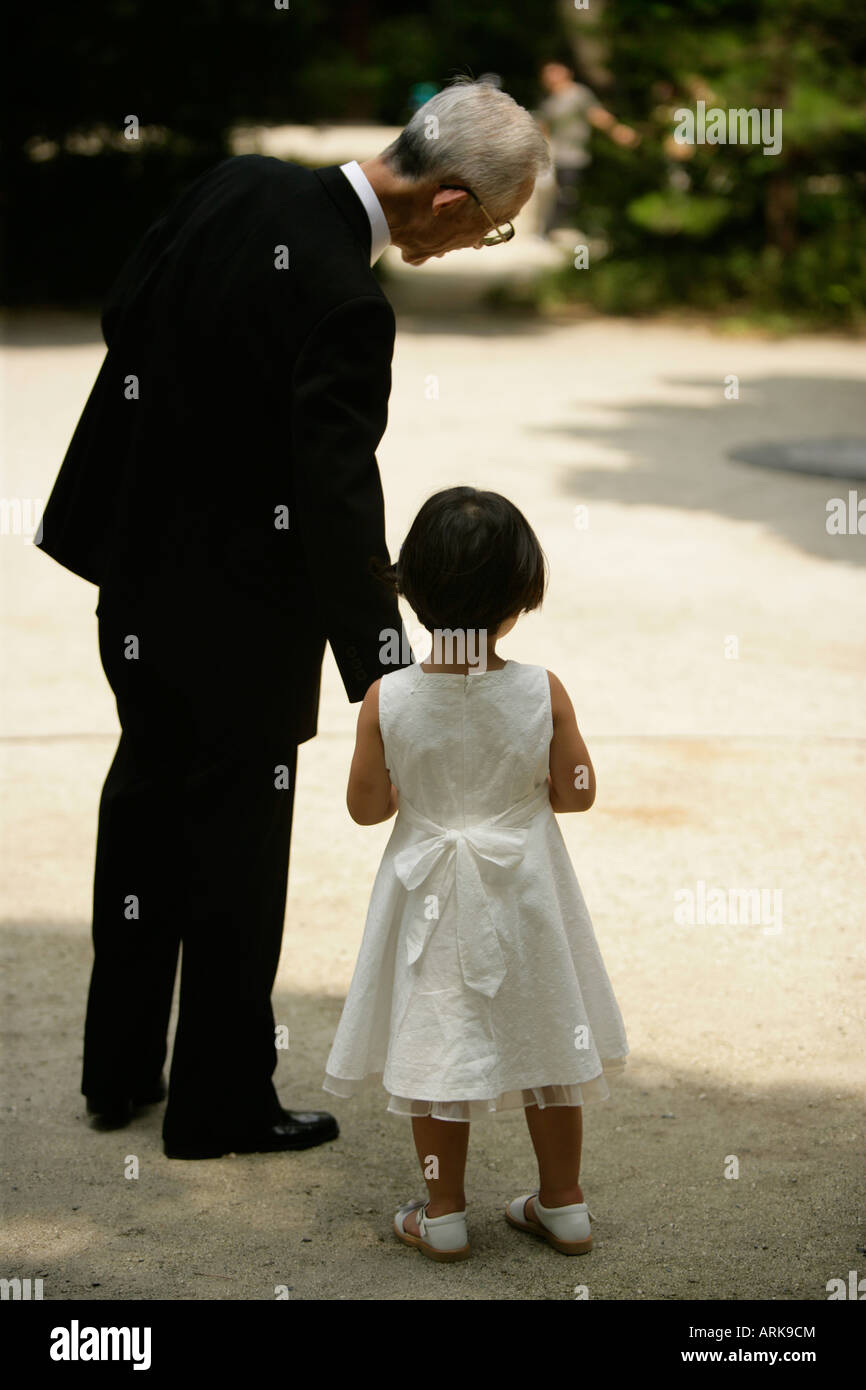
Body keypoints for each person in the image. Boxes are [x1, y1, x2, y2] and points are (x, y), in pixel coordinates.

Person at [34, 79, 551, 1161]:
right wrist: (385, 669)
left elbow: (125, 312)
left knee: (142, 806)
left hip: (133, 573)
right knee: (232, 850)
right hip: (236, 617)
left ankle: (118, 1066)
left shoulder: (236, 186)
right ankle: (218, 1102)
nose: (478, 244)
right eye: (493, 225)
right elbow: (331, 497)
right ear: (449, 202)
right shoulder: (345, 302)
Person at [323, 487, 629, 1259]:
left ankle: (445, 1211)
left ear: (412, 591)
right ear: (524, 595)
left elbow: (365, 809)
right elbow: (577, 792)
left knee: (438, 1044)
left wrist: (416, 792)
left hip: (429, 894)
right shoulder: (542, 690)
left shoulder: (386, 699)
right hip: (526, 890)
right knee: (551, 1040)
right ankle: (563, 1204)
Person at [536, 59, 639, 236]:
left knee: (569, 193)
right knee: (565, 192)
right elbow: (544, 128)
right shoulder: (551, 101)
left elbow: (596, 115)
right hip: (559, 155)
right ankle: (553, 230)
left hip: (576, 154)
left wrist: (617, 130)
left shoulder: (577, 94)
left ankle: (555, 229)